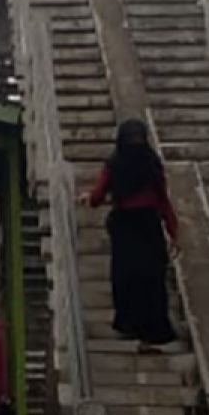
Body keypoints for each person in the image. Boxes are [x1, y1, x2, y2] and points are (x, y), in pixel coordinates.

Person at [81, 118, 179, 347]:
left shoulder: (115, 163)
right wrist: (174, 233)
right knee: (153, 279)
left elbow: (98, 195)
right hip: (149, 225)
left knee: (125, 278)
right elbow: (163, 200)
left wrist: (87, 198)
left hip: (125, 226)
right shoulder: (152, 163)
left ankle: (129, 325)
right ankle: (154, 330)